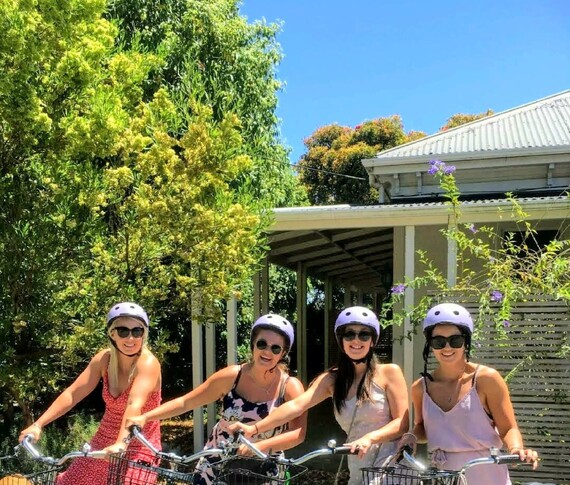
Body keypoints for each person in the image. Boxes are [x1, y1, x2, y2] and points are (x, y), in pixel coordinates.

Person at [229, 306, 409, 485]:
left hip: (392, 466)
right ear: (341, 340)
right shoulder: (332, 380)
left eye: (364, 334)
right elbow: (296, 405)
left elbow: (402, 422)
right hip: (358, 464)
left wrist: (370, 438)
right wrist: (254, 428)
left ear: (372, 340)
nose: (356, 340)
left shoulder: (388, 373)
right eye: (349, 334)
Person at [126, 313, 307, 485]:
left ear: (283, 353)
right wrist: (145, 417)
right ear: (253, 344)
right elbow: (185, 402)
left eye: (275, 348)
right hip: (216, 466)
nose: (267, 351)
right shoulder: (232, 377)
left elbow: (298, 433)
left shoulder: (289, 387)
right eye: (262, 344)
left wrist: (259, 447)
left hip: (263, 470)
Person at [19, 302, 162, 485]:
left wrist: (121, 443)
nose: (131, 338)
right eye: (123, 331)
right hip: (103, 442)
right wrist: (38, 424)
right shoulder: (104, 360)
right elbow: (73, 394)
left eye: (137, 331)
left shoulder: (148, 363)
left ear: (144, 334)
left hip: (139, 445)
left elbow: (134, 405)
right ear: (112, 334)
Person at [400, 302, 539, 484]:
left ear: (466, 342)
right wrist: (411, 436)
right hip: (444, 475)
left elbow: (508, 428)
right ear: (430, 345)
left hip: (486, 473)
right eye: (439, 341)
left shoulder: (486, 379)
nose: (447, 348)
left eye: (455, 340)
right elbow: (423, 427)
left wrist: (516, 448)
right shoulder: (420, 388)